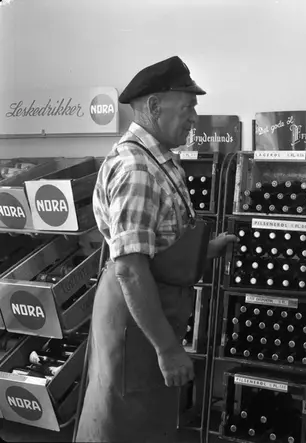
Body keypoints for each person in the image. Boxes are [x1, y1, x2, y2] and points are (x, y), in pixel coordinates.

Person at [75, 56, 238, 443]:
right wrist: (167, 349)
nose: (194, 117)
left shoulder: (159, 160)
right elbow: (131, 270)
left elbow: (156, 244)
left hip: (149, 312)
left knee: (147, 417)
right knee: (125, 421)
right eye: (188, 107)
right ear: (153, 106)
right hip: (137, 322)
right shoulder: (137, 169)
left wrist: (206, 250)